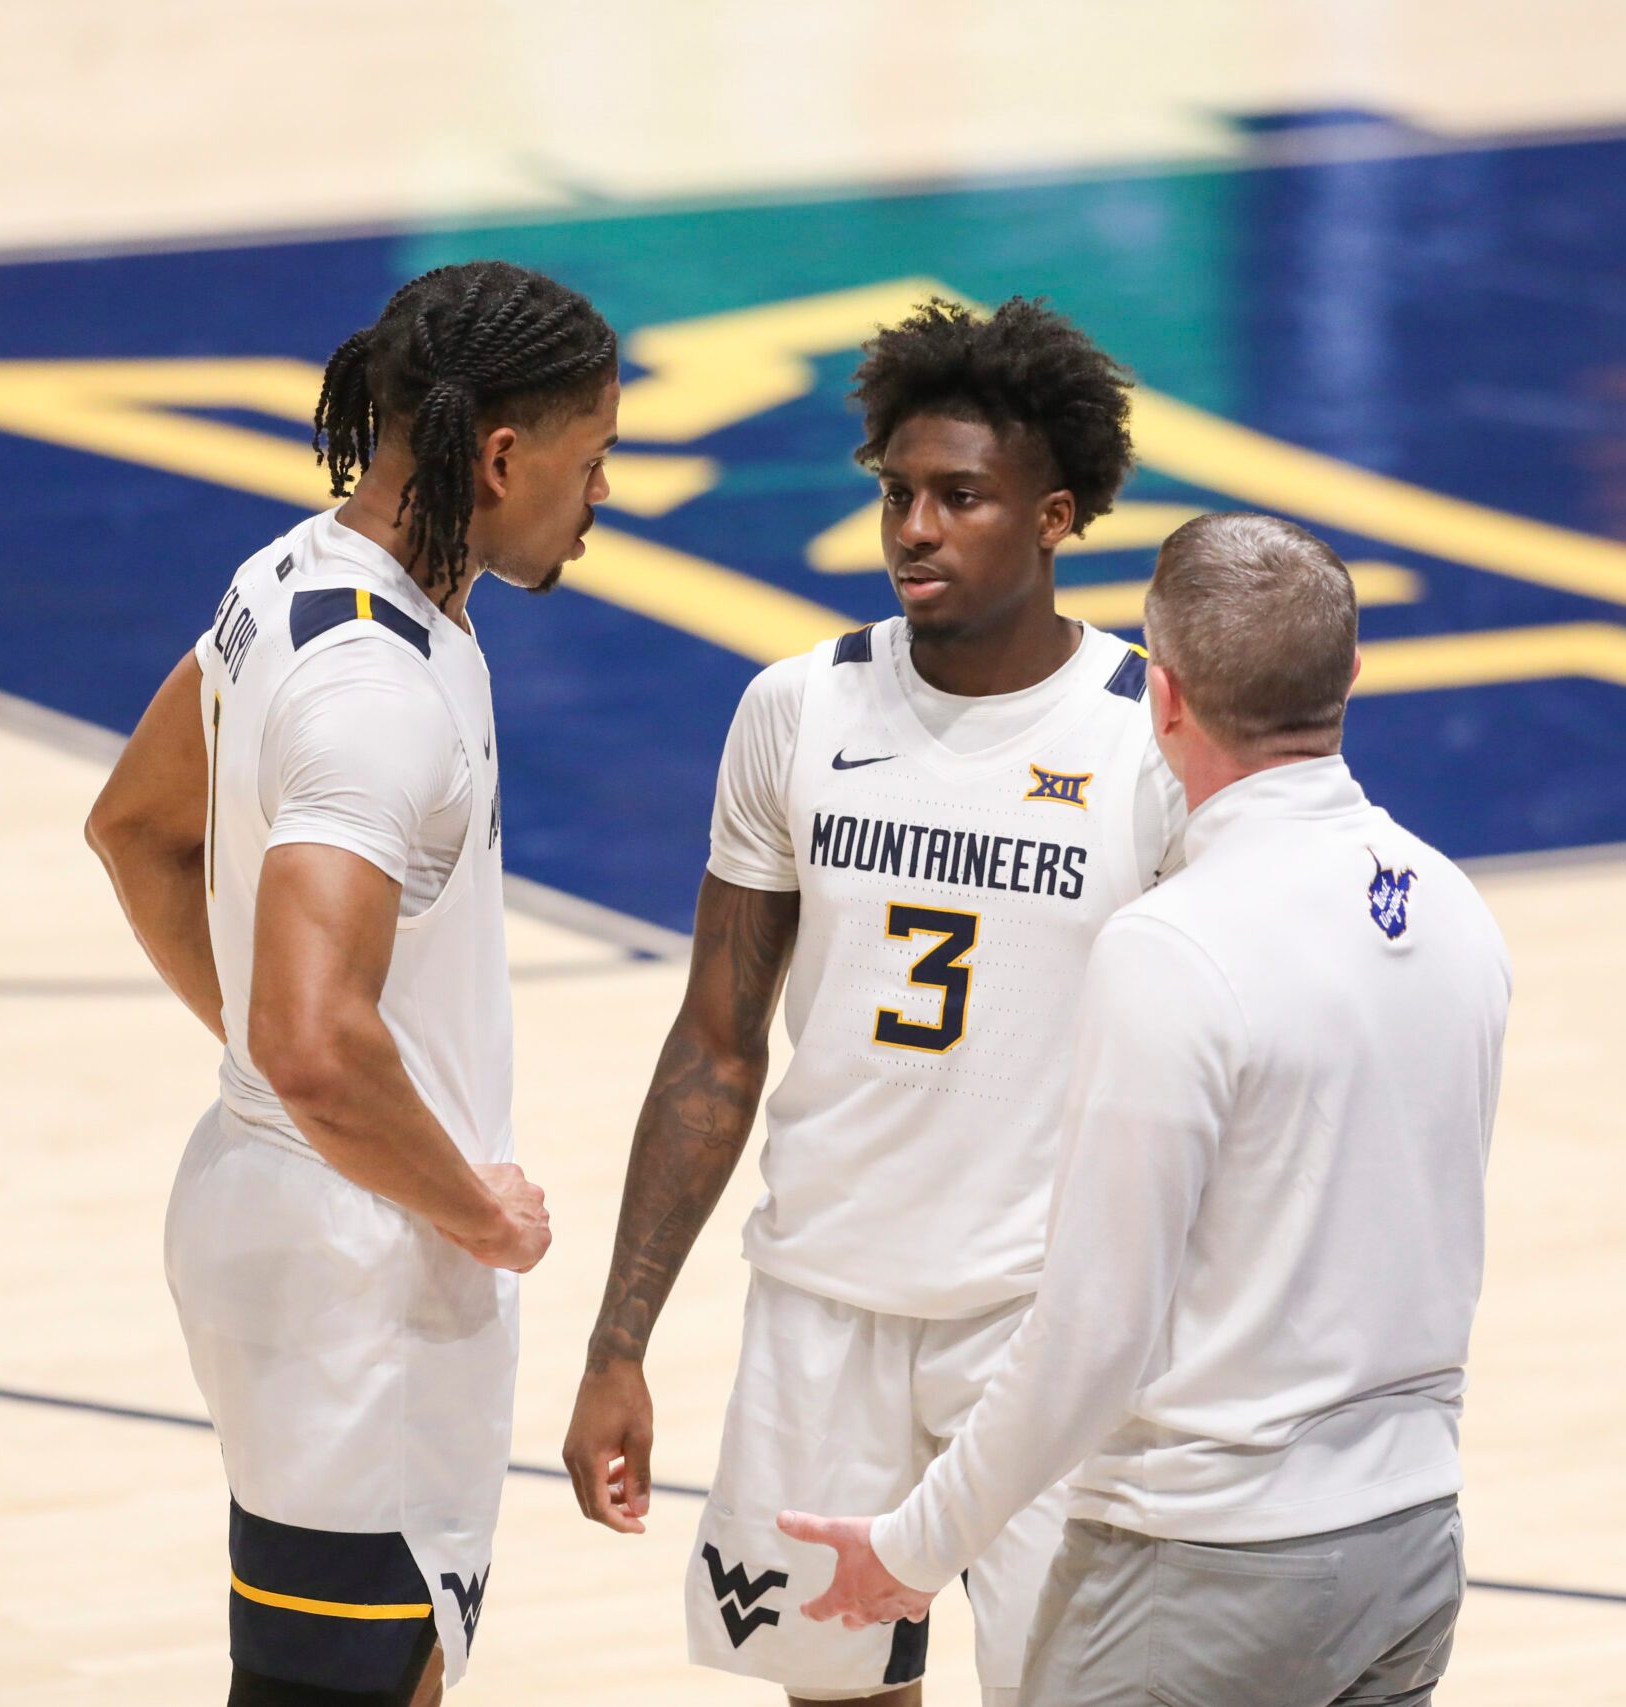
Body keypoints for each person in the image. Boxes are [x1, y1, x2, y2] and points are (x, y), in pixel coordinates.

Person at [559, 297, 1186, 1706]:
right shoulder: (797, 709)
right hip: (819, 1305)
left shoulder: (1148, 739)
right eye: (898, 493)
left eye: (960, 496)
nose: (913, 526)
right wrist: (617, 1340)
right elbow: (716, 1042)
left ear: (1056, 513)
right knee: (831, 1690)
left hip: (1044, 1320)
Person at [780, 512, 1511, 1707]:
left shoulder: (1172, 948)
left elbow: (1091, 1332)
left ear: (1160, 699)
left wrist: (915, 1545)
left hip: (1204, 1562)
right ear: (1352, 676)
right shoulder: (1449, 905)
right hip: (1410, 1542)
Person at [83, 259, 620, 1707]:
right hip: (356, 1261)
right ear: (501, 457)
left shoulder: (285, 577)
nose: (603, 495)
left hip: (293, 1206)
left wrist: (272, 1062)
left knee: (383, 1667)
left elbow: (134, 826)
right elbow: (317, 1042)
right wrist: (479, 1212)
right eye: (592, 461)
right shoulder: (377, 694)